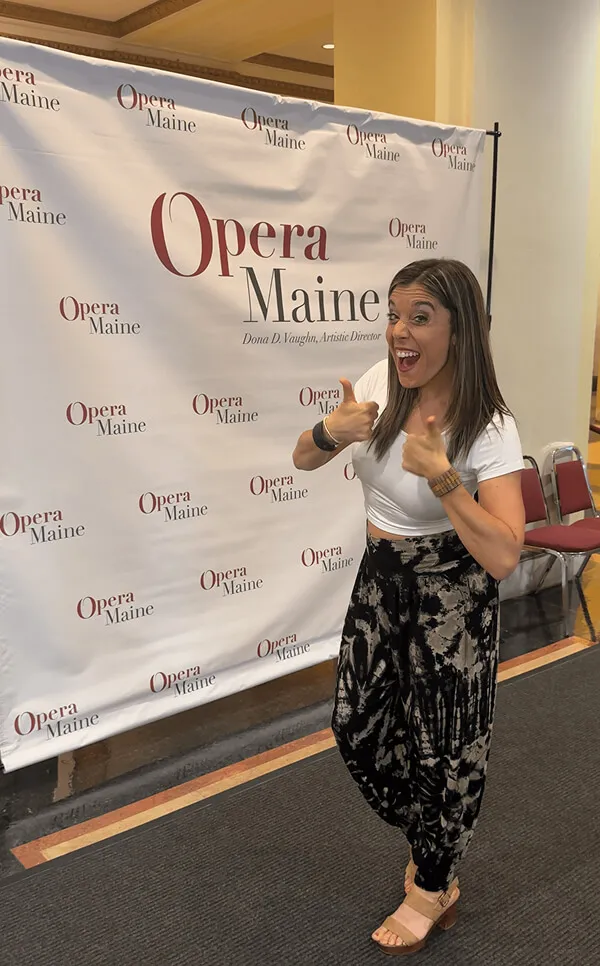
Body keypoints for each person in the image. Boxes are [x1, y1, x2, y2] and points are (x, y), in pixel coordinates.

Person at [292, 258, 525, 956]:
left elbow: (506, 553)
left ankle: (433, 881)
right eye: (395, 313)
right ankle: (436, 842)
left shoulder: (490, 425)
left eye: (419, 316)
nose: (399, 330)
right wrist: (332, 432)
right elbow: (302, 457)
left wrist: (446, 478)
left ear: (459, 329)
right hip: (381, 579)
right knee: (357, 728)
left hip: (452, 593)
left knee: (447, 752)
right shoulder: (377, 382)